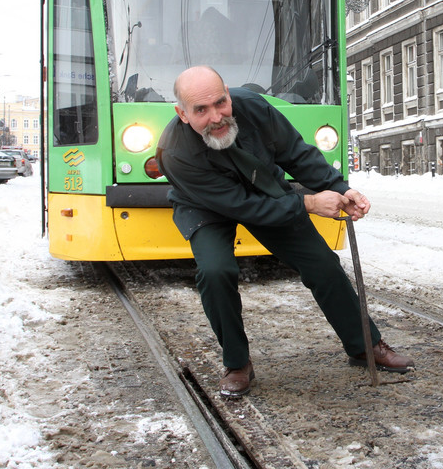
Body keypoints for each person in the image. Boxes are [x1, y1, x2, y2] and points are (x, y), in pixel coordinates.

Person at [156, 66, 413, 396]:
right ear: (182, 113)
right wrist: (308, 203)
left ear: (229, 95)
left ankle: (365, 346)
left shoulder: (255, 107)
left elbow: (297, 154)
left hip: (261, 185)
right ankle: (237, 363)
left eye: (221, 103)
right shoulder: (175, 153)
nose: (217, 116)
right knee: (215, 270)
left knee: (321, 263)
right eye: (201, 110)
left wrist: (340, 188)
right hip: (207, 204)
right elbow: (241, 206)